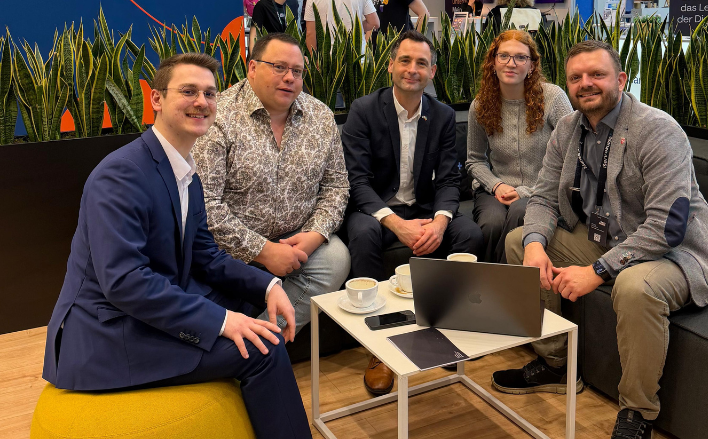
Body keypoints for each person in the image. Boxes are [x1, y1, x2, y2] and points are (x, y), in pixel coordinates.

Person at [41, 53, 312, 439]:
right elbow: (125, 282)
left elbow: (205, 255)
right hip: (107, 333)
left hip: (149, 304)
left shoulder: (186, 172)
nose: (201, 102)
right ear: (156, 99)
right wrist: (221, 321)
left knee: (251, 307)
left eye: (209, 93)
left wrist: (268, 285)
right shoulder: (120, 175)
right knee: (262, 349)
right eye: (188, 91)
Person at [494, 40, 708, 438]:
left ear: (620, 79)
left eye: (596, 74)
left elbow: (667, 226)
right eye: (576, 77)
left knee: (634, 287)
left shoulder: (658, 130)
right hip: (610, 238)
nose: (585, 83)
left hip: (676, 252)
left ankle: (637, 413)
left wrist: (598, 270)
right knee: (519, 242)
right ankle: (556, 365)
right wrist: (534, 244)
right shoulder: (567, 129)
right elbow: (544, 197)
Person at [342, 30, 484, 396]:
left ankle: (446, 327)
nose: (412, 69)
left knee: (469, 233)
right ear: (390, 65)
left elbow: (449, 180)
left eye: (422, 63)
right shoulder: (363, 110)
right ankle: (379, 347)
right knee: (362, 234)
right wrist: (396, 224)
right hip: (376, 210)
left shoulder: (442, 115)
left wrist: (439, 221)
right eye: (404, 60)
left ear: (432, 72)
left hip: (422, 207)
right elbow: (357, 182)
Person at [193, 33, 351, 337]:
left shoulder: (320, 116)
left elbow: (336, 187)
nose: (289, 77)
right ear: (252, 67)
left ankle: (259, 341)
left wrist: (314, 235)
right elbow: (206, 204)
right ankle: (254, 346)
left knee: (335, 258)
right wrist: (264, 251)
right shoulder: (218, 116)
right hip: (230, 248)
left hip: (298, 239)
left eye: (297, 71)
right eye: (279, 67)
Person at [466, 29, 572, 263]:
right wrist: (496, 185)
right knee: (491, 223)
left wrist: (526, 191)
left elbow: (572, 156)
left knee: (520, 212)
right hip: (496, 190)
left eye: (521, 57)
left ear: (532, 65)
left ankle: (504, 281)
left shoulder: (553, 98)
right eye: (503, 56)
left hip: (542, 190)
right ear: (493, 62)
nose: (511, 63)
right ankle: (489, 279)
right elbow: (474, 160)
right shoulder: (480, 105)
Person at [305, 0, 380, 51]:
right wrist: (356, 28)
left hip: (328, 61)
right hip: (357, 56)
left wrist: (314, 60)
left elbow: (310, 33)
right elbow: (374, 23)